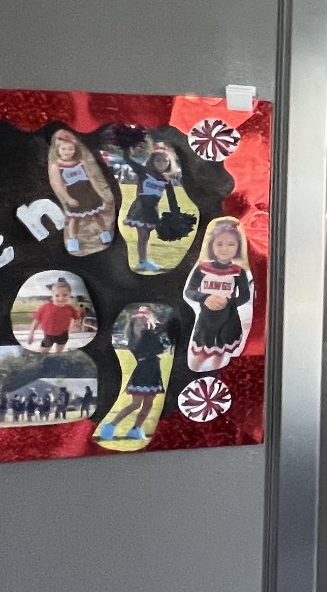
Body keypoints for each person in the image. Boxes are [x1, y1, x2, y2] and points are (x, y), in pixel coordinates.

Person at [184, 218, 253, 372]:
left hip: (228, 319)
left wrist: (228, 301)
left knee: (220, 354)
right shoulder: (202, 269)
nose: (224, 249)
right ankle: (193, 372)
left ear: (238, 247)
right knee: (202, 352)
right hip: (207, 319)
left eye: (231, 244)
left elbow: (245, 297)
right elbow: (190, 291)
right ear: (211, 246)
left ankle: (216, 373)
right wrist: (205, 298)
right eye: (219, 244)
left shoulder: (238, 272)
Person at [100, 307, 170, 442]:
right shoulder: (135, 340)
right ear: (132, 326)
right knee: (136, 404)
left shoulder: (150, 336)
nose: (142, 326)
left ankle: (136, 429)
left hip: (153, 371)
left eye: (145, 323)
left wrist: (159, 330)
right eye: (138, 324)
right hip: (142, 373)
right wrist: (156, 331)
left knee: (148, 404)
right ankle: (110, 426)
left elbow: (162, 346)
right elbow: (152, 347)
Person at [46, 129, 115, 256]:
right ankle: (73, 239)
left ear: (75, 149)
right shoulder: (56, 166)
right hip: (74, 192)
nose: (67, 152)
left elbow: (91, 178)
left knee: (97, 214)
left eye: (70, 149)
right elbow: (59, 184)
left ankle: (104, 232)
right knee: (74, 218)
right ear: (58, 150)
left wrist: (99, 192)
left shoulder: (81, 162)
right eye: (64, 149)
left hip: (88, 190)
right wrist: (67, 198)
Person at [122, 140, 181, 273]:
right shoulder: (144, 172)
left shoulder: (166, 180)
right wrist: (129, 149)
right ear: (152, 161)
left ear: (169, 163)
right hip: (140, 207)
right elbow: (127, 159)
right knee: (142, 235)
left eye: (165, 161)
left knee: (146, 236)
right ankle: (143, 262)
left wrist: (176, 214)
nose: (161, 163)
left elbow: (172, 198)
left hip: (153, 210)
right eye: (158, 161)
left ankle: (144, 261)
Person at [27, 279, 84, 350]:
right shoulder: (45, 307)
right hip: (48, 335)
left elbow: (76, 318)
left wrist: (77, 319)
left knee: (59, 351)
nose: (61, 298)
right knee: (43, 351)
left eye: (65, 295)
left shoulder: (70, 308)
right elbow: (36, 321)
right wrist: (31, 334)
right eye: (57, 295)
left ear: (69, 295)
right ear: (52, 296)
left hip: (63, 335)